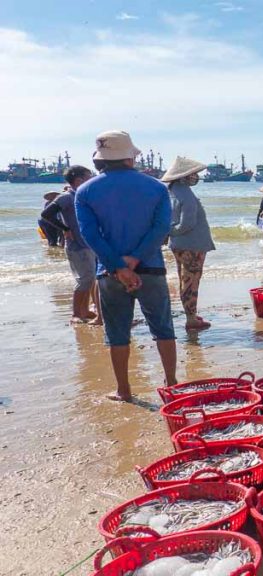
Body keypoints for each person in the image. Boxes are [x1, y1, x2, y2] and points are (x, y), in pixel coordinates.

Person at [75, 130, 176, 402]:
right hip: (151, 267)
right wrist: (136, 258)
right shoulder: (156, 187)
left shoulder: (85, 191)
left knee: (117, 333)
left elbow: (90, 234)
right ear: (129, 157)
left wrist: (119, 265)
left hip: (109, 272)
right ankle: (171, 384)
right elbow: (161, 228)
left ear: (102, 160)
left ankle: (124, 390)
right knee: (163, 328)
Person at [40, 165, 102, 324]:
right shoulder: (66, 197)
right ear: (79, 180)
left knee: (91, 279)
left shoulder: (82, 195)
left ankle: (85, 310)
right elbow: (46, 214)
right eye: (89, 177)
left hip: (88, 244)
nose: (92, 180)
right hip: (76, 246)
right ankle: (76, 314)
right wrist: (65, 229)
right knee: (85, 280)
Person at [161, 157, 215, 330]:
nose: (195, 177)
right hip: (193, 244)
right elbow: (187, 224)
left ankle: (190, 314)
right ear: (183, 176)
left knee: (184, 279)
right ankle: (191, 319)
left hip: (179, 244)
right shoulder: (186, 194)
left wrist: (169, 232)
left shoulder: (171, 192)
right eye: (192, 174)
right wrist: (172, 231)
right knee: (191, 280)